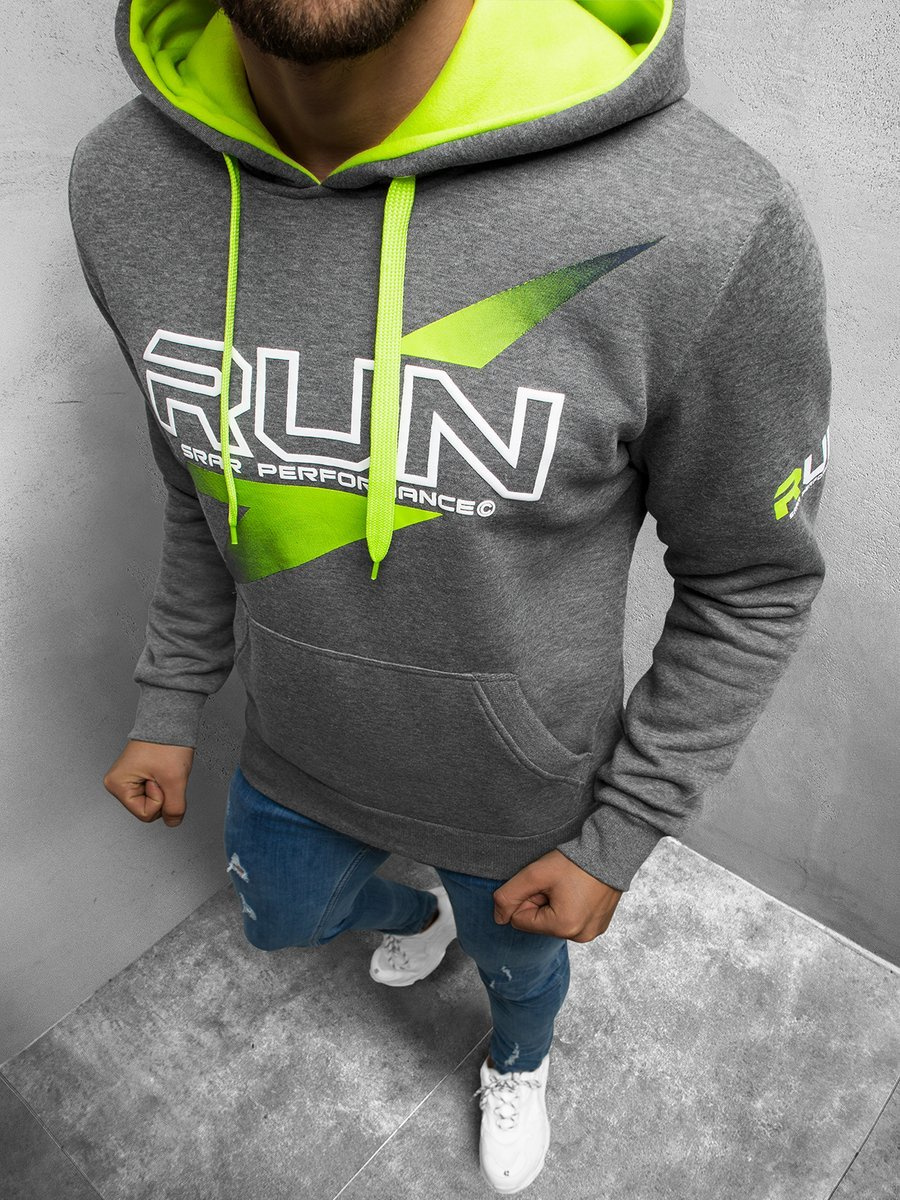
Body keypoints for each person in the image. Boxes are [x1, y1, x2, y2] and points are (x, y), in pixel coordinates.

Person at [69, 0, 831, 1191]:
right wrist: (170, 697)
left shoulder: (707, 216)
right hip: (296, 741)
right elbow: (206, 478)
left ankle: (518, 1058)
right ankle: (411, 914)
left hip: (517, 785)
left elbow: (751, 581)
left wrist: (621, 833)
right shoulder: (125, 184)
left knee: (521, 972)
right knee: (280, 919)